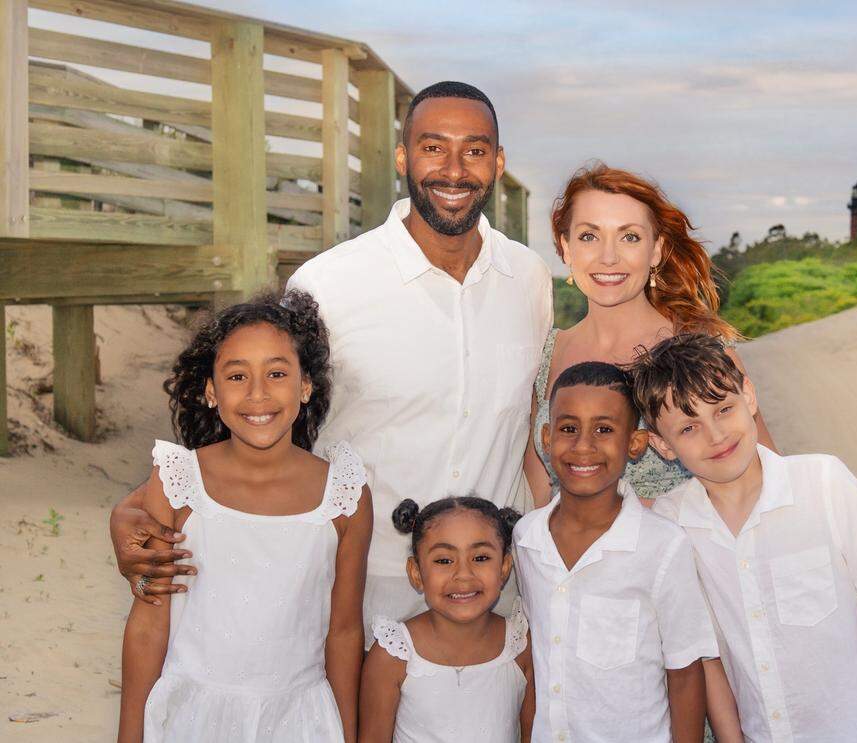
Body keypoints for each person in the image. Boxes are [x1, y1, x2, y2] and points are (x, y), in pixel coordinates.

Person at [108, 81, 553, 622]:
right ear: (402, 158)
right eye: (434, 147)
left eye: (475, 150)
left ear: (498, 162)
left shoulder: (528, 279)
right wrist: (139, 505)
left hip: (491, 587)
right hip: (359, 580)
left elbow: (530, 427)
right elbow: (258, 411)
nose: (454, 170)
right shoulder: (329, 284)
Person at [628, 334, 857, 743]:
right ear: (662, 445)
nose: (715, 435)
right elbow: (709, 659)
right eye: (689, 427)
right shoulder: (673, 525)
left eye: (723, 409)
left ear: (749, 396)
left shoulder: (823, 482)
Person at [116, 292, 373, 743]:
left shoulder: (344, 496)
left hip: (300, 721)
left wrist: (346, 733)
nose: (258, 393)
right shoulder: (178, 483)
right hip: (191, 718)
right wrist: (129, 735)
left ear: (306, 385)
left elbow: (345, 630)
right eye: (237, 376)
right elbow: (148, 625)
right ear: (211, 391)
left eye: (277, 373)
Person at [525, 162, 776, 509]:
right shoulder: (547, 354)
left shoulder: (699, 349)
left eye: (629, 237)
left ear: (655, 249)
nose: (608, 257)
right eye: (589, 236)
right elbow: (538, 497)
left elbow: (769, 483)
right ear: (566, 248)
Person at [514, 361, 718, 743]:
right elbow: (536, 664)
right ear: (546, 437)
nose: (583, 446)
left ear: (635, 444)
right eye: (568, 428)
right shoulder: (527, 539)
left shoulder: (663, 545)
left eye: (604, 430)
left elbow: (685, 673)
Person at [360, 497, 534, 743]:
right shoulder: (393, 656)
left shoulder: (521, 646)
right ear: (416, 573)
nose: (463, 574)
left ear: (505, 568)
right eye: (444, 560)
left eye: (480, 558)